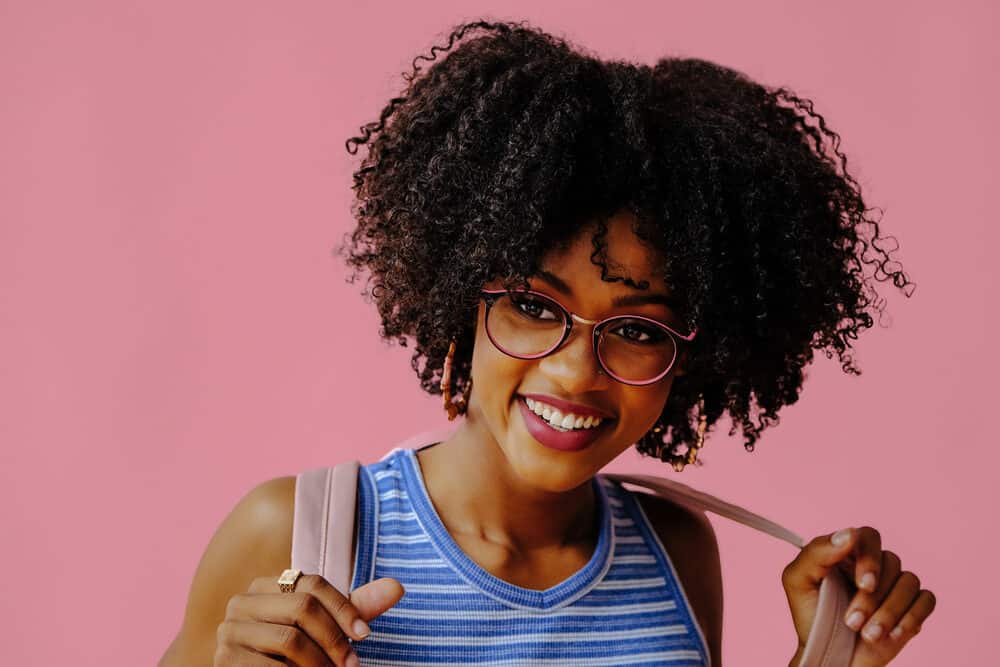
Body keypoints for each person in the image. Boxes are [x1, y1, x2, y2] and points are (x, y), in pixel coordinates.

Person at [159, 18, 936, 667]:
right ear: (460, 294)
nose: (573, 372)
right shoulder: (296, 533)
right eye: (534, 304)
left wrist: (831, 656)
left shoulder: (674, 552)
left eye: (636, 329)